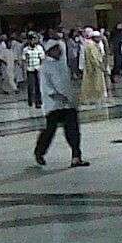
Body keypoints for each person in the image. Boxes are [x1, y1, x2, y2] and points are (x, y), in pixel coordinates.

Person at [33, 26, 88, 167]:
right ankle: (39, 152)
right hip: (54, 105)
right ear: (50, 51)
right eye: (56, 49)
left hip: (68, 104)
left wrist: (72, 99)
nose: (59, 51)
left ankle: (76, 156)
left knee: (73, 130)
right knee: (49, 131)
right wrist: (58, 96)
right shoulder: (45, 67)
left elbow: (68, 83)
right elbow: (46, 88)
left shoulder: (63, 65)